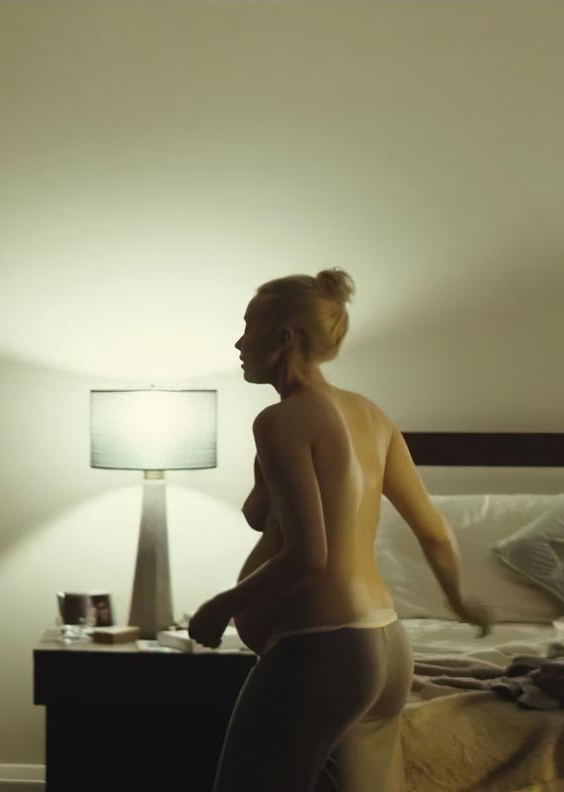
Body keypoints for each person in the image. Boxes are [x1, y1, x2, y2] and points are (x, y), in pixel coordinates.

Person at [187, 269, 492, 792]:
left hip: (322, 649)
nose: (239, 343)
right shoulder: (370, 414)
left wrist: (219, 607)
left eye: (249, 327)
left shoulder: (281, 421)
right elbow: (435, 532)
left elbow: (310, 556)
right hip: (386, 644)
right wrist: (460, 604)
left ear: (284, 338)